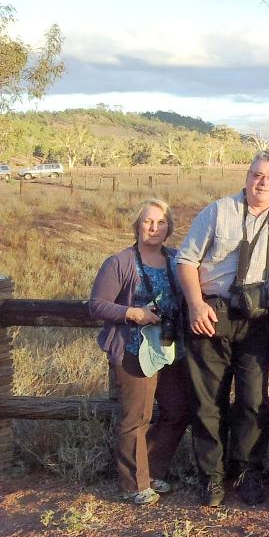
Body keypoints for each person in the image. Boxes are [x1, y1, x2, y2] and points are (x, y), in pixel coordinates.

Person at [176, 150, 269, 508]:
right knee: (209, 400)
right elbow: (186, 261)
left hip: (261, 319)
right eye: (257, 174)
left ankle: (248, 470)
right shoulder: (218, 211)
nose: (263, 182)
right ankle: (212, 476)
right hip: (211, 313)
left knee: (253, 398)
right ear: (247, 176)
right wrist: (195, 304)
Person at [89, 198, 193, 505]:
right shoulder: (119, 262)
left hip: (168, 347)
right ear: (137, 225)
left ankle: (152, 472)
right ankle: (134, 484)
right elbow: (97, 305)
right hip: (133, 348)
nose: (154, 228)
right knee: (137, 417)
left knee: (178, 410)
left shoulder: (176, 259)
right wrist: (134, 313)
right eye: (148, 221)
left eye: (161, 222)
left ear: (169, 227)